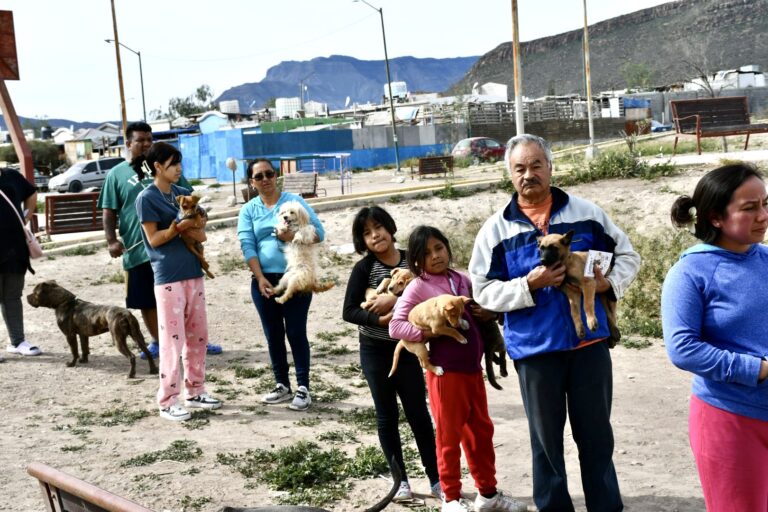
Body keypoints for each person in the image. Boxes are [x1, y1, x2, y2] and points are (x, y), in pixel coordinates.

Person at [469, 134, 640, 512]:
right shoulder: (496, 231)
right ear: (510, 175)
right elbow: (482, 291)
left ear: (550, 167)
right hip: (536, 351)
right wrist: (527, 286)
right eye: (520, 168)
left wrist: (608, 282)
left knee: (597, 439)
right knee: (545, 446)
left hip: (589, 348)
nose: (528, 174)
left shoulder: (587, 214)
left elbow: (628, 256)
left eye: (535, 165)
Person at [390, 226, 528, 512]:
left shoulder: (461, 280)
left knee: (480, 432)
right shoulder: (417, 287)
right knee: (449, 436)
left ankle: (487, 495)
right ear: (416, 261)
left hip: (471, 371)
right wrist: (430, 332)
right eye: (426, 253)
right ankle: (450, 498)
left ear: (448, 249)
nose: (435, 256)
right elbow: (396, 325)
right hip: (445, 374)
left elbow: (482, 311)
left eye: (439, 248)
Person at [661, 164, 768, 511]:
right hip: (730, 420)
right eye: (750, 208)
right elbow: (683, 349)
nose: (763, 215)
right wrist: (758, 369)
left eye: (765, 204)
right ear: (716, 218)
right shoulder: (689, 273)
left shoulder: (765, 259)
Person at [97, 122, 221, 361]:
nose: (145, 143)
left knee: (183, 295)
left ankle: (194, 340)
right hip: (139, 247)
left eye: (149, 139)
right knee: (147, 298)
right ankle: (158, 341)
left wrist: (198, 219)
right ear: (128, 143)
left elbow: (191, 199)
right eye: (140, 140)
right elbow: (109, 211)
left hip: (174, 247)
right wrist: (111, 240)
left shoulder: (168, 167)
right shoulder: (117, 174)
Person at [342, 206, 441, 502]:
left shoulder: (413, 262)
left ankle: (437, 478)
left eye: (379, 228)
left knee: (419, 415)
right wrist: (380, 320)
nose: (375, 236)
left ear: (390, 228)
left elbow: (431, 295)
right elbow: (349, 311)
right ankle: (401, 483)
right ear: (363, 241)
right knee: (386, 416)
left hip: (410, 350)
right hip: (375, 352)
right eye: (367, 233)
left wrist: (394, 299)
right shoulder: (363, 269)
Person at [135, 142, 221, 421]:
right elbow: (154, 239)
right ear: (158, 167)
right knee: (173, 340)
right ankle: (167, 400)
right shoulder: (147, 198)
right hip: (168, 278)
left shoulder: (184, 194)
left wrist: (194, 225)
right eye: (173, 164)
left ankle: (195, 390)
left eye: (179, 163)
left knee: (198, 336)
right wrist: (180, 227)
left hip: (193, 274)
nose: (179, 169)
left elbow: (202, 227)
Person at [237, 159, 325, 411]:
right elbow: (247, 244)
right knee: (273, 334)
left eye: (269, 174)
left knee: (296, 332)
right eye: (258, 176)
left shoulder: (294, 203)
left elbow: (320, 233)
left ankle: (303, 387)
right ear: (251, 182)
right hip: (263, 280)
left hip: (296, 276)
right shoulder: (249, 210)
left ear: (276, 176)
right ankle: (281, 384)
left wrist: (294, 236)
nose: (265, 179)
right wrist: (259, 276)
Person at [0, 167, 43, 359]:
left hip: (15, 248)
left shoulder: (11, 176)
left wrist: (25, 216)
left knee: (12, 296)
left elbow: (31, 193)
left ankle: (17, 341)